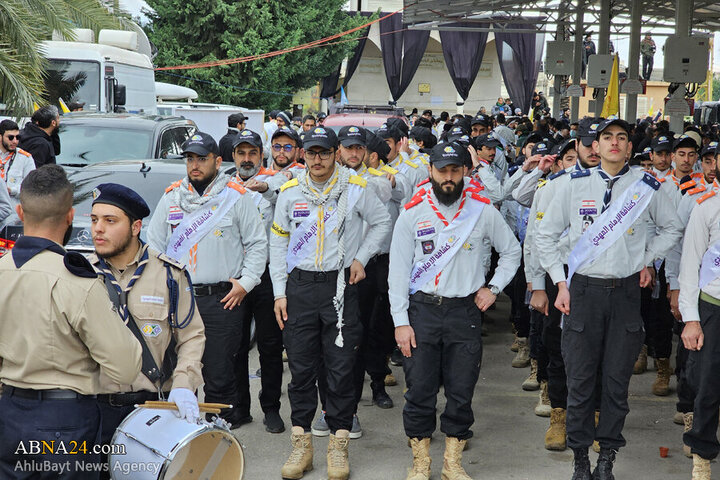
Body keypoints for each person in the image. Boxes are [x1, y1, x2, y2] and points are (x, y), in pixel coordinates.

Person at [536, 118, 682, 480]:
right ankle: (581, 460)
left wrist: (648, 259)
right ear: (595, 146)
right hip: (582, 291)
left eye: (621, 137)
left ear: (630, 148)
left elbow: (672, 227)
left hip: (627, 294)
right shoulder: (572, 185)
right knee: (580, 383)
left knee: (616, 385)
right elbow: (545, 235)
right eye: (606, 137)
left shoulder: (646, 187)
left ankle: (606, 461)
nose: (614, 143)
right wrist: (560, 282)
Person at [389, 141, 521, 480]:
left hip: (464, 313)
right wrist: (401, 322)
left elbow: (511, 252)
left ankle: (452, 462)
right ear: (430, 171)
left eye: (455, 171)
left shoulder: (482, 211)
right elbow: (398, 273)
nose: (449, 178)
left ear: (465, 172)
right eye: (442, 170)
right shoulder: (412, 213)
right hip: (423, 312)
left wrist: (493, 289)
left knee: (461, 390)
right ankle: (421, 462)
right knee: (419, 390)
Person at [0, 165, 142, 479]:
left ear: (21, 212)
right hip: (65, 420)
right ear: (69, 216)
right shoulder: (76, 281)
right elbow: (126, 366)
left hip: (10, 413)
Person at [270, 126, 391, 480]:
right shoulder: (290, 193)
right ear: (302, 155)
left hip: (341, 287)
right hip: (300, 288)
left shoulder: (355, 189)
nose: (318, 159)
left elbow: (382, 223)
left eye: (324, 152)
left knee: (340, 369)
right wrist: (279, 292)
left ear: (336, 153)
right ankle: (302, 445)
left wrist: (362, 258)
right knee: (302, 369)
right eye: (311, 152)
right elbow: (278, 246)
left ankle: (338, 446)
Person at [147, 132, 267, 429]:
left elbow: (257, 244)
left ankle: (218, 437)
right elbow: (154, 246)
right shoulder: (171, 197)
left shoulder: (236, 198)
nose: (195, 165)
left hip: (220, 300)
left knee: (220, 375)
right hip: (179, 300)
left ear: (217, 161)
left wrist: (246, 282)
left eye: (201, 159)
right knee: (179, 373)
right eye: (190, 159)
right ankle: (184, 435)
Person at [89, 183, 205, 477]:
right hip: (95, 412)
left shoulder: (169, 274)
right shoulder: (82, 276)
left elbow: (191, 335)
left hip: (153, 410)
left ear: (136, 226)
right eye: (94, 219)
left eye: (110, 221)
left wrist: (183, 384)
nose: (98, 229)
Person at [230, 129, 287, 433]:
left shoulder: (277, 181)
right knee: (236, 347)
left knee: (269, 347)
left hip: (265, 276)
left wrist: (264, 188)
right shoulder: (223, 186)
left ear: (261, 156)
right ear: (234, 157)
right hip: (235, 277)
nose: (247, 159)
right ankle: (240, 408)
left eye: (253, 153)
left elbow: (281, 198)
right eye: (242, 153)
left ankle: (271, 408)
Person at [678, 140, 720, 480]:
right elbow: (689, 265)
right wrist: (691, 318)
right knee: (709, 382)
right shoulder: (707, 208)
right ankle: (702, 452)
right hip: (712, 308)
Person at [0, 119, 35, 205]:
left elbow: (31, 187)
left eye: (17, 137)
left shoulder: (25, 158)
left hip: (14, 213)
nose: (15, 141)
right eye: (10, 137)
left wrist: (11, 190)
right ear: (0, 137)